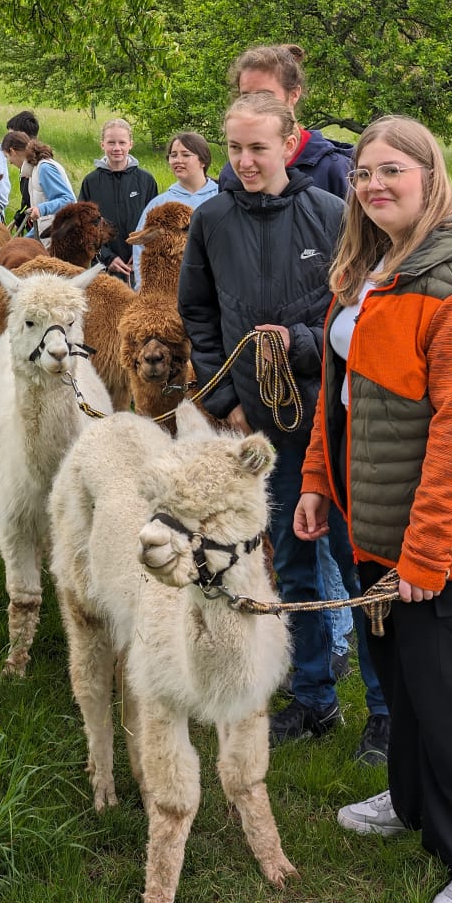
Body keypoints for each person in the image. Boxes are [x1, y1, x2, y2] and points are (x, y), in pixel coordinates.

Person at [296, 115, 452, 903]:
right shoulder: (375, 267)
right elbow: (341, 391)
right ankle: (412, 798)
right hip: (375, 519)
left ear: (431, 174)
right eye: (363, 173)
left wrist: (427, 553)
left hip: (447, 538)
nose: (373, 185)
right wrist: (318, 479)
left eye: (392, 170)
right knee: (400, 678)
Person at [178, 92, 347, 746]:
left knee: (353, 560)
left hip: (330, 419)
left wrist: (300, 346)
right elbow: (198, 312)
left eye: (259, 147)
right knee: (292, 560)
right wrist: (226, 399)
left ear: (288, 143)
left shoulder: (330, 215)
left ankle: (387, 710)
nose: (245, 161)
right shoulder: (213, 220)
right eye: (235, 148)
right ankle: (313, 696)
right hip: (262, 429)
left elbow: (352, 314)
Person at [214, 44, 353, 198]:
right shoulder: (233, 173)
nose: (254, 104)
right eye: (246, 96)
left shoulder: (334, 170)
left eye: (265, 95)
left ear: (294, 94)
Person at [130, 131, 218, 284]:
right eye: (173, 155)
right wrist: (143, 288)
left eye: (186, 155)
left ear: (203, 160)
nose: (178, 160)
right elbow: (141, 250)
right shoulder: (159, 205)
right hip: (173, 289)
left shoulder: (221, 197)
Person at [80, 118, 158, 276]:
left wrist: (142, 251)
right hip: (103, 268)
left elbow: (155, 223)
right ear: (102, 145)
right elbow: (84, 227)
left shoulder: (146, 180)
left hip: (140, 266)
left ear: (130, 144)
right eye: (111, 142)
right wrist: (107, 258)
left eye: (122, 142)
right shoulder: (91, 182)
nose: (117, 148)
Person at [28, 141, 77, 239]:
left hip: (58, 238)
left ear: (13, 152)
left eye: (8, 156)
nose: (10, 162)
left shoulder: (44, 168)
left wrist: (41, 209)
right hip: (50, 236)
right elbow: (42, 221)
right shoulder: (35, 170)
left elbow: (68, 200)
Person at [7, 111, 40, 221]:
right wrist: (20, 217)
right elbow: (29, 201)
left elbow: (65, 199)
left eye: (12, 138)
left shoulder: (43, 167)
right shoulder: (26, 166)